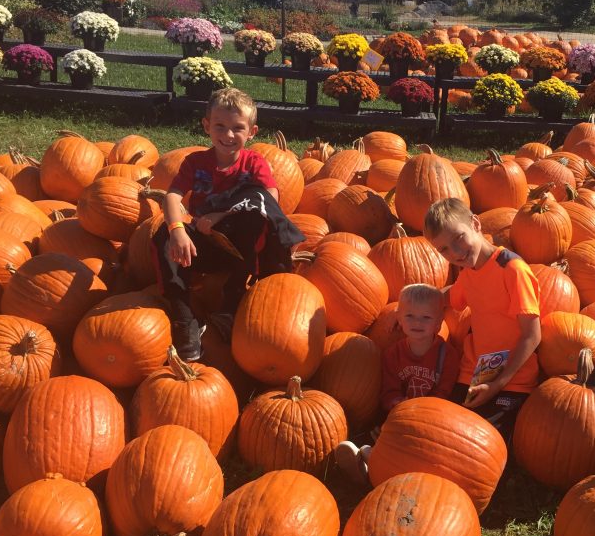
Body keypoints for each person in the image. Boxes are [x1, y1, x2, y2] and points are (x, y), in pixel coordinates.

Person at [154, 87, 303, 361]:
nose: (228, 135)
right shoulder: (195, 163)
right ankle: (185, 318)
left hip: (242, 247)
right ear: (207, 126)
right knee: (163, 233)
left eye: (237, 128)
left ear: (252, 132)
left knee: (256, 206)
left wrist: (222, 216)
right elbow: (173, 196)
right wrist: (177, 231)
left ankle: (233, 302)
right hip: (205, 244)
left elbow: (270, 198)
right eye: (220, 126)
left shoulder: (254, 162)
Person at [424, 197, 541, 437]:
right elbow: (449, 297)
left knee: (480, 441)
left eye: (459, 238)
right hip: (474, 374)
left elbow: (532, 334)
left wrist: (498, 384)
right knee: (441, 429)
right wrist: (411, 303)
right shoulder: (469, 273)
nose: (455, 252)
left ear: (476, 224)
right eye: (443, 249)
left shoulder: (512, 270)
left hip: (512, 381)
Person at [333, 283, 461, 484]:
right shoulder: (393, 354)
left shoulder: (448, 356)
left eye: (426, 317)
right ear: (399, 319)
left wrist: (422, 411)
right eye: (410, 316)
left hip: (432, 419)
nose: (417, 322)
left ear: (438, 323)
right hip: (398, 415)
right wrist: (396, 404)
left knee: (420, 447)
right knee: (382, 432)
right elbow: (389, 389)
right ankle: (364, 457)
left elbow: (445, 391)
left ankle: (372, 461)